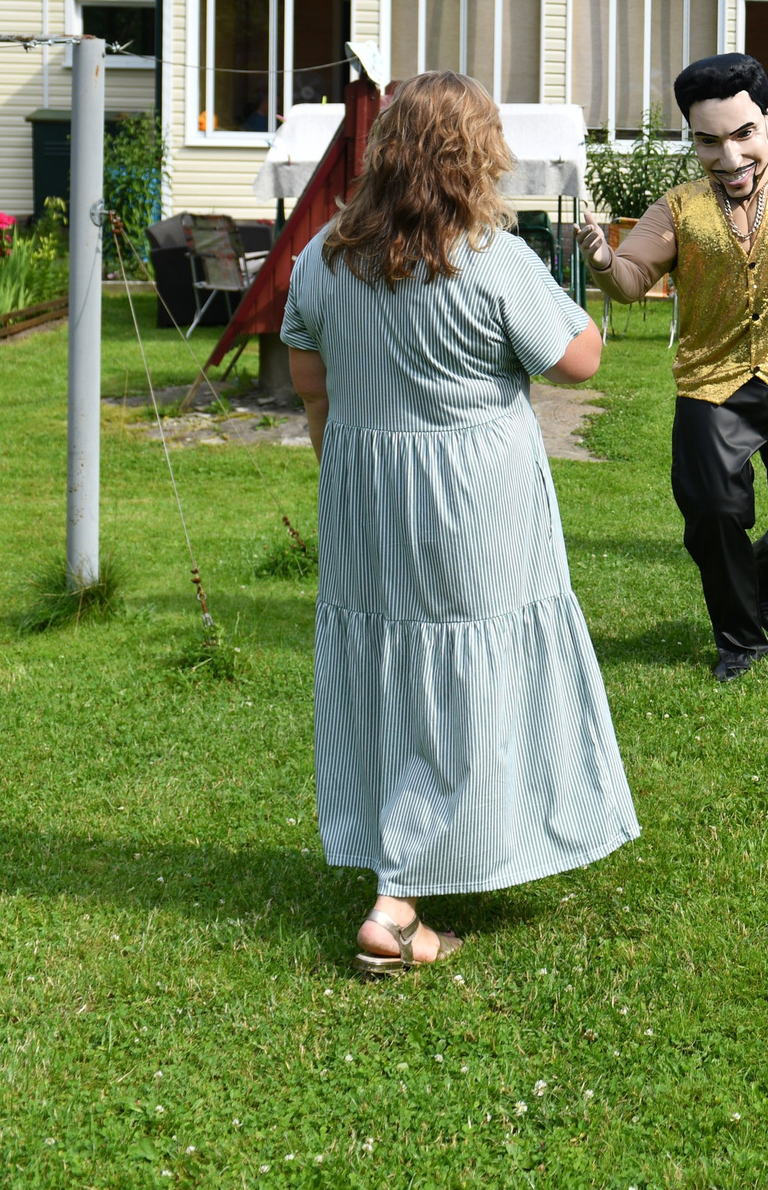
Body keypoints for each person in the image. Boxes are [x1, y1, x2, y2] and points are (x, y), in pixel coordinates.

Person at [282, 71, 635, 975]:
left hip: (362, 490)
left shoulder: (322, 257)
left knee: (389, 667)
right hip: (474, 495)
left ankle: (412, 847)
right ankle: (399, 900)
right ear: (477, 154)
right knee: (468, 669)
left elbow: (311, 385)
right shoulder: (492, 257)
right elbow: (580, 361)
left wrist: (344, 469)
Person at [572, 53, 768, 682]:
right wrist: (604, 259)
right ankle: (740, 642)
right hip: (711, 385)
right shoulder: (677, 208)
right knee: (713, 514)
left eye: (743, 135)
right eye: (708, 142)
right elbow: (631, 280)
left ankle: (762, 577)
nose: (730, 156)